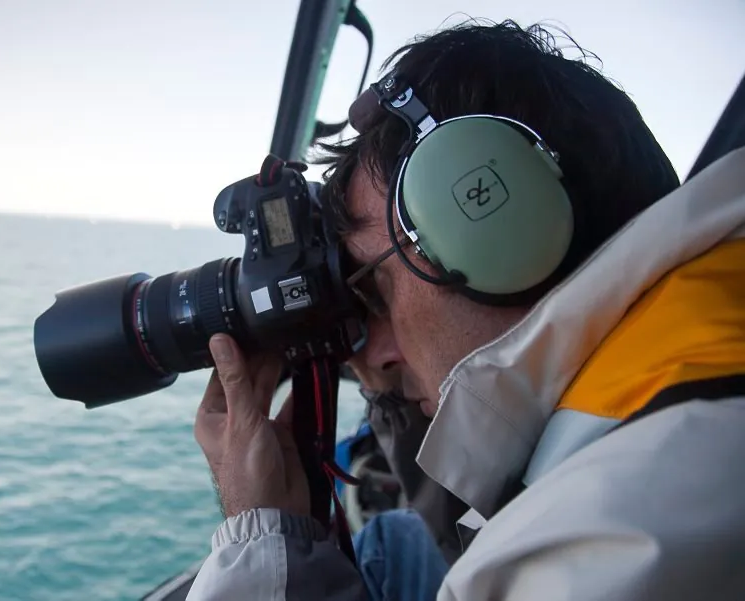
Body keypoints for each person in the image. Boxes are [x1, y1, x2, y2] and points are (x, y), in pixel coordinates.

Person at [187, 19, 745, 601]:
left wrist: (259, 540)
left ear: (500, 225)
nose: (372, 355)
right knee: (394, 536)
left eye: (375, 293)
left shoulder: (604, 539)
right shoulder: (697, 325)